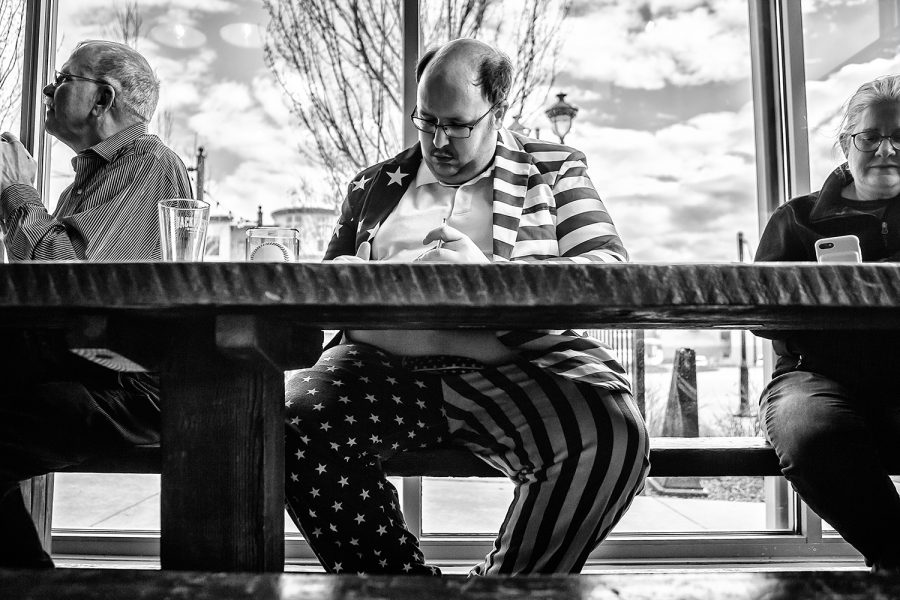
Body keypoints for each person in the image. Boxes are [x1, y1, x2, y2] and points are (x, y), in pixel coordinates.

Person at [283, 39, 649, 576]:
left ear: (497, 112)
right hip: (375, 368)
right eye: (425, 120)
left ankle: (506, 590)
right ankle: (398, 591)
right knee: (290, 417)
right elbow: (322, 288)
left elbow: (605, 270)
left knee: (614, 435)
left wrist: (487, 279)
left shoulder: (553, 168)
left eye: (456, 125)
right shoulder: (372, 184)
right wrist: (346, 283)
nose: (437, 140)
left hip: (514, 364)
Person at [0, 40, 192, 567]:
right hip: (87, 368)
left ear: (102, 98)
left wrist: (16, 190)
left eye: (62, 78)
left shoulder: (147, 161)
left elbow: (56, 279)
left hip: (129, 383)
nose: (46, 89)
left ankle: (32, 585)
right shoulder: (94, 175)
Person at [755, 75, 900, 573]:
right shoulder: (795, 220)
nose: (887, 149)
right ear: (846, 143)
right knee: (809, 431)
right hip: (813, 377)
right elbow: (759, 314)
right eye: (871, 136)